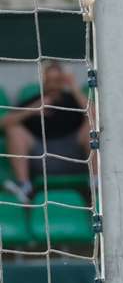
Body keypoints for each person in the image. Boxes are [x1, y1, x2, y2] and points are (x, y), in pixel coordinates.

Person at [2, 61, 91, 203]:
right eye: (49, 80)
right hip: (41, 158)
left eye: (57, 80)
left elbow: (95, 117)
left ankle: (97, 182)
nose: (53, 85)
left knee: (91, 126)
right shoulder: (32, 101)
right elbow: (4, 124)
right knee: (14, 129)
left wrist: (74, 87)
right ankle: (24, 186)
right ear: (42, 81)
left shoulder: (74, 100)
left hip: (74, 157)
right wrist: (33, 110)